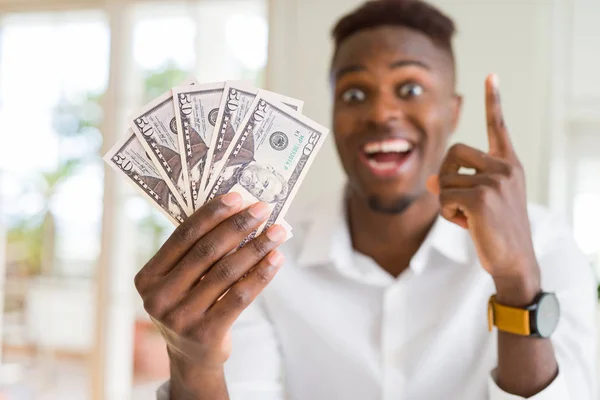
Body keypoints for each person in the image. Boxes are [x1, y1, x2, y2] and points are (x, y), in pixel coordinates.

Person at [135, 0, 597, 399]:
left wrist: (517, 280)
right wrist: (194, 363)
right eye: (355, 93)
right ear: (333, 113)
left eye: (411, 89)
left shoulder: (546, 244)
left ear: (453, 112)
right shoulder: (264, 255)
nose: (381, 113)